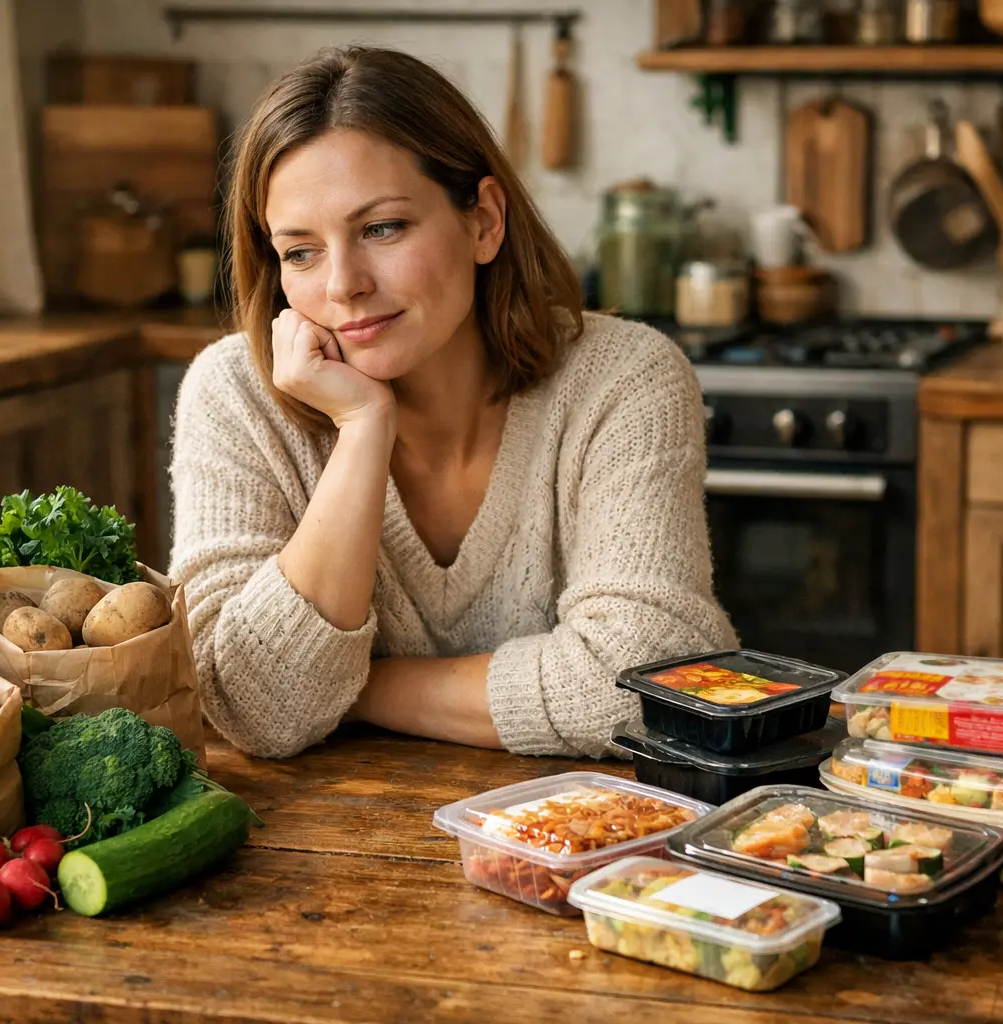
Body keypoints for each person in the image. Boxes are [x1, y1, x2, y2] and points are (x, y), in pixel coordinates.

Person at [170, 46, 735, 759]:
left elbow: (649, 689)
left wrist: (357, 689)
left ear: (484, 221)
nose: (343, 285)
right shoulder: (233, 395)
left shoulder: (624, 378)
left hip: (592, 844)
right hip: (328, 849)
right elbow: (249, 704)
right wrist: (363, 426)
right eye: (301, 252)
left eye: (382, 229)